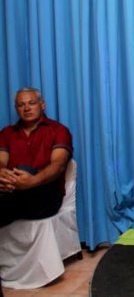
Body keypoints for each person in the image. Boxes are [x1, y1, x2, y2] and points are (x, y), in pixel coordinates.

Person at [0, 88, 72, 228]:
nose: (26, 108)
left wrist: (33, 181)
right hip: (11, 192)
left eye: (31, 103)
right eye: (21, 105)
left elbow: (58, 165)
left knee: (23, 169)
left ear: (42, 105)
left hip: (45, 195)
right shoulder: (6, 133)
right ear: (16, 109)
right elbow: (1, 161)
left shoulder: (58, 130)